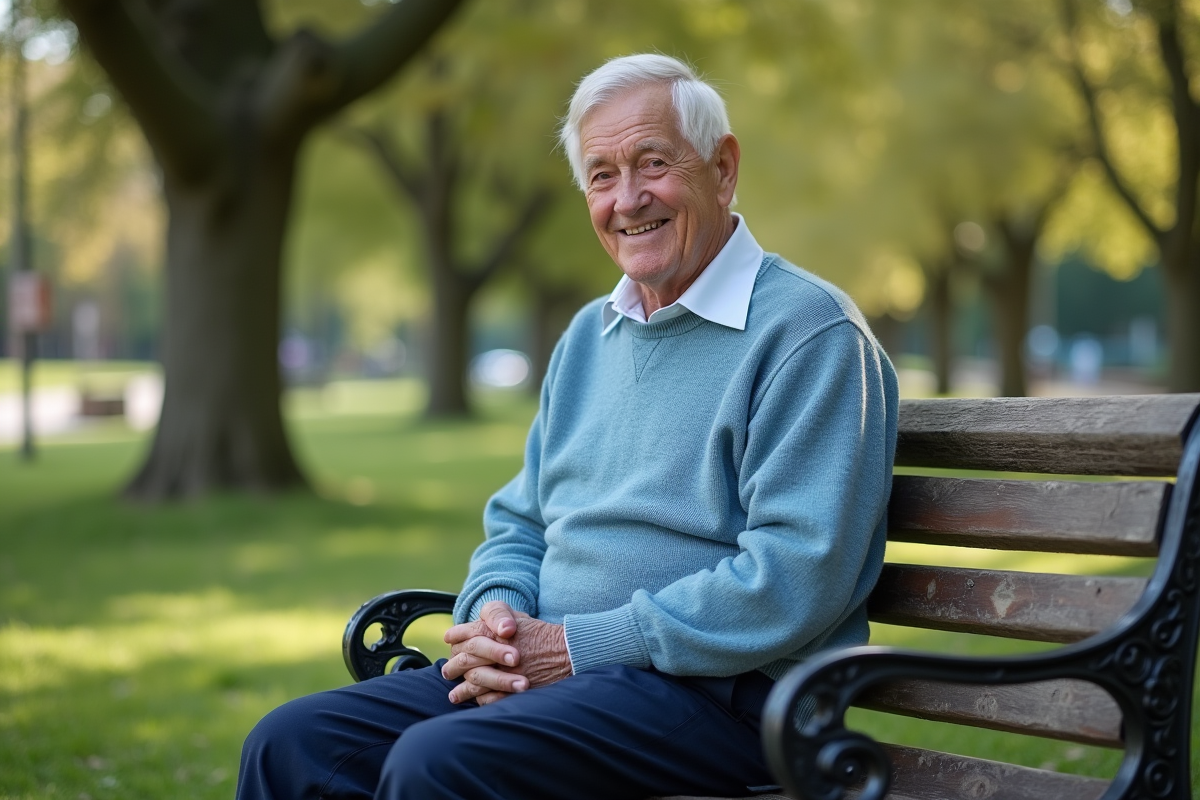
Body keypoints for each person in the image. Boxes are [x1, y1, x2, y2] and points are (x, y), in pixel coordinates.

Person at [236, 53, 898, 800]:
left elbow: (797, 574)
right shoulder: (590, 335)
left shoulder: (809, 333)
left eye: (653, 164)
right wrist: (499, 618)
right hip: (559, 672)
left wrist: (578, 647)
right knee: (292, 744)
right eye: (602, 175)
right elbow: (522, 521)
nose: (627, 199)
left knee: (438, 761)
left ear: (722, 168)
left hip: (729, 698)